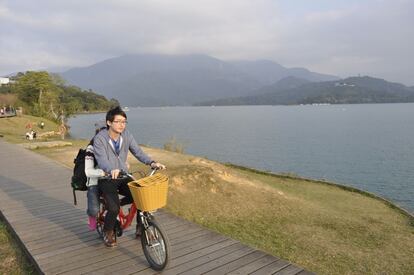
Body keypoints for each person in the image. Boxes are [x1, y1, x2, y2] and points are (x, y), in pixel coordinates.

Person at [93, 106, 165, 247]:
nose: (122, 125)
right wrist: (110, 169)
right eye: (118, 121)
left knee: (141, 196)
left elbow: (138, 152)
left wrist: (152, 162)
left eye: (124, 122)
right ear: (109, 122)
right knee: (113, 209)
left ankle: (140, 227)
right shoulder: (100, 139)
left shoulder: (126, 135)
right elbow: (101, 160)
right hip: (106, 178)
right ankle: (108, 232)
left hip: (123, 175)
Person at [84, 126, 106, 231]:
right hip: (94, 182)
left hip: (108, 181)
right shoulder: (90, 149)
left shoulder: (110, 147)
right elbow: (88, 171)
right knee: (94, 209)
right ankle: (92, 217)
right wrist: (102, 172)